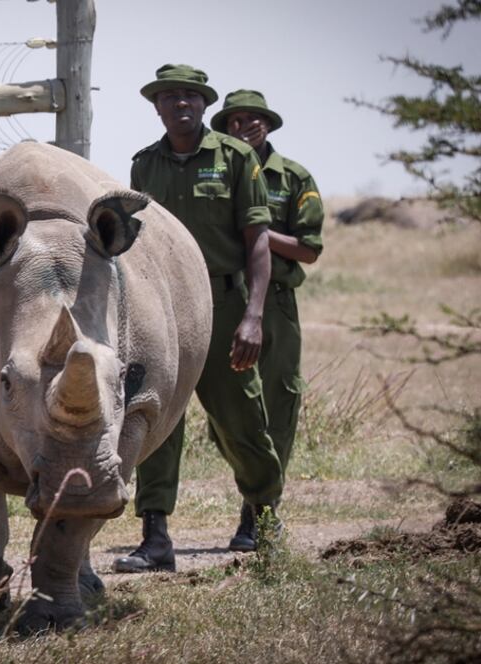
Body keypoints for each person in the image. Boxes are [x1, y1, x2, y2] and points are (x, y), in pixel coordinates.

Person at [114, 64, 281, 573]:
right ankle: (155, 537)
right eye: (171, 97)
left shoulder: (235, 159)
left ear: (205, 105)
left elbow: (259, 241)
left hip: (224, 303)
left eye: (191, 96)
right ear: (156, 106)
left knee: (241, 421)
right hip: (164, 308)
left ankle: (262, 518)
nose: (181, 104)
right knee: (156, 419)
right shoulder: (144, 166)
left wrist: (252, 316)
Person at [210, 89, 324, 549]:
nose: (244, 128)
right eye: (235, 121)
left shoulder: (293, 177)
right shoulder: (216, 173)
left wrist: (256, 231)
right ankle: (251, 488)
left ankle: (258, 515)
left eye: (253, 120)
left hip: (274, 304)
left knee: (277, 407)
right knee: (227, 414)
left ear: (269, 125)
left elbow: (309, 249)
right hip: (223, 299)